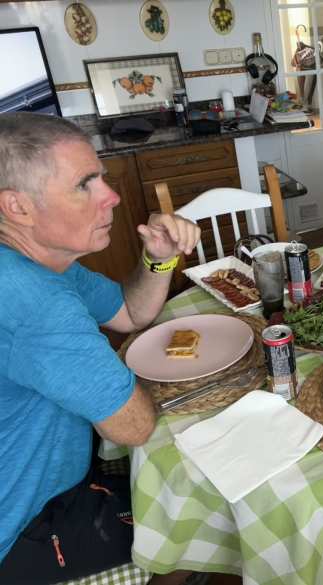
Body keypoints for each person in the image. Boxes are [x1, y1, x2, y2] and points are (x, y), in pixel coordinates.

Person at [0, 113, 201, 584]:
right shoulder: (34, 299)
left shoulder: (46, 264)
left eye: (103, 178)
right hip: (23, 526)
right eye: (84, 185)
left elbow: (132, 314)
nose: (111, 197)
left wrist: (158, 257)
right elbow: (134, 425)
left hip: (64, 472)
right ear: (18, 207)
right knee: (201, 520)